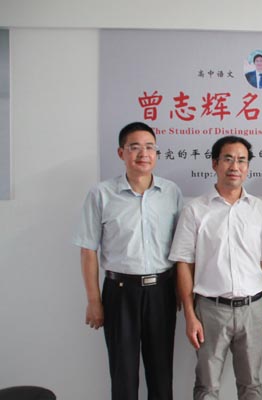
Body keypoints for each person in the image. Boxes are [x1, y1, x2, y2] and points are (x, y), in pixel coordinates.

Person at [73, 121, 183, 400]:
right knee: (123, 374)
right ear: (121, 153)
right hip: (119, 293)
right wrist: (94, 301)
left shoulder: (171, 192)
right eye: (135, 147)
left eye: (150, 147)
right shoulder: (101, 194)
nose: (143, 154)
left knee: (161, 372)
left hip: (162, 291)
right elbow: (88, 250)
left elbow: (181, 249)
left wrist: (182, 291)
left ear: (156, 153)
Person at [169, 136, 262, 400]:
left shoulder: (259, 210)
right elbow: (184, 264)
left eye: (241, 160)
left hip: (254, 309)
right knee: (207, 386)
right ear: (215, 163)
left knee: (251, 384)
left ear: (248, 166)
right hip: (210, 310)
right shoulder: (195, 210)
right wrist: (190, 315)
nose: (235, 166)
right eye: (228, 159)